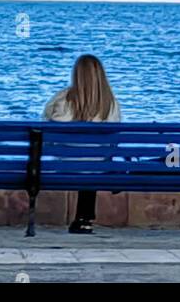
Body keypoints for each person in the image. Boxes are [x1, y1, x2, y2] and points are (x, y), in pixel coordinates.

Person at [43, 54, 122, 234]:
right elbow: (113, 135)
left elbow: (47, 122)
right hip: (96, 165)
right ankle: (84, 219)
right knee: (92, 162)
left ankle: (83, 219)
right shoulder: (110, 103)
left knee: (84, 160)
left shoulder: (63, 99)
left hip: (65, 164)